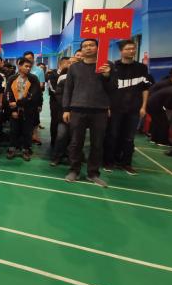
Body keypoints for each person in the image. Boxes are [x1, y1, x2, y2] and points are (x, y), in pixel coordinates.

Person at [62, 39, 115, 187]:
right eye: (85, 46)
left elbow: (114, 88)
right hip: (77, 109)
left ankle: (93, 173)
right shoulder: (74, 67)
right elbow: (68, 89)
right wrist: (66, 109)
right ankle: (74, 170)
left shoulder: (107, 65)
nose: (88, 48)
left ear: (98, 48)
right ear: (81, 50)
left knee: (97, 144)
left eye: (91, 45)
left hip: (100, 110)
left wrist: (107, 76)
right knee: (75, 143)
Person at [103, 40, 152, 174]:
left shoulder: (142, 68)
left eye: (133, 48)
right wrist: (107, 106)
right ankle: (108, 161)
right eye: (128, 49)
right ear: (121, 51)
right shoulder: (113, 67)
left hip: (134, 109)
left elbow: (145, 88)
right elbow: (107, 89)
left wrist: (143, 106)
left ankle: (126, 163)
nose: (131, 51)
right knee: (112, 135)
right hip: (115, 108)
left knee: (129, 137)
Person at [6, 58, 42, 161]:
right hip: (14, 110)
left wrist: (17, 103)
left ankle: (26, 150)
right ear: (19, 66)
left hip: (29, 110)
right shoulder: (12, 78)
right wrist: (13, 110)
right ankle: (12, 148)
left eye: (30, 66)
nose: (28, 68)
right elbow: (8, 94)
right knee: (14, 130)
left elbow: (33, 96)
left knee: (27, 131)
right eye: (26, 66)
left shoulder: (33, 79)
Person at [147, 69, 172, 146]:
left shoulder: (165, 82)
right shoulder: (167, 84)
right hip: (155, 103)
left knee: (157, 121)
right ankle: (162, 141)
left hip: (150, 102)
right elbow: (167, 98)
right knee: (163, 122)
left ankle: (154, 139)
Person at [49, 59, 72, 166]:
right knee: (61, 134)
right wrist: (67, 108)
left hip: (78, 112)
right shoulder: (62, 77)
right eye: (70, 63)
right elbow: (59, 94)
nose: (71, 64)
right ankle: (57, 157)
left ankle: (72, 157)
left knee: (75, 137)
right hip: (63, 111)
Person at [23, 51, 45, 144]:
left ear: (33, 59)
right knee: (24, 117)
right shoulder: (21, 69)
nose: (28, 60)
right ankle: (25, 135)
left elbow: (41, 84)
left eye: (30, 58)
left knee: (35, 117)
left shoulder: (39, 70)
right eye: (26, 58)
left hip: (35, 98)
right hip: (23, 98)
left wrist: (31, 90)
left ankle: (34, 136)